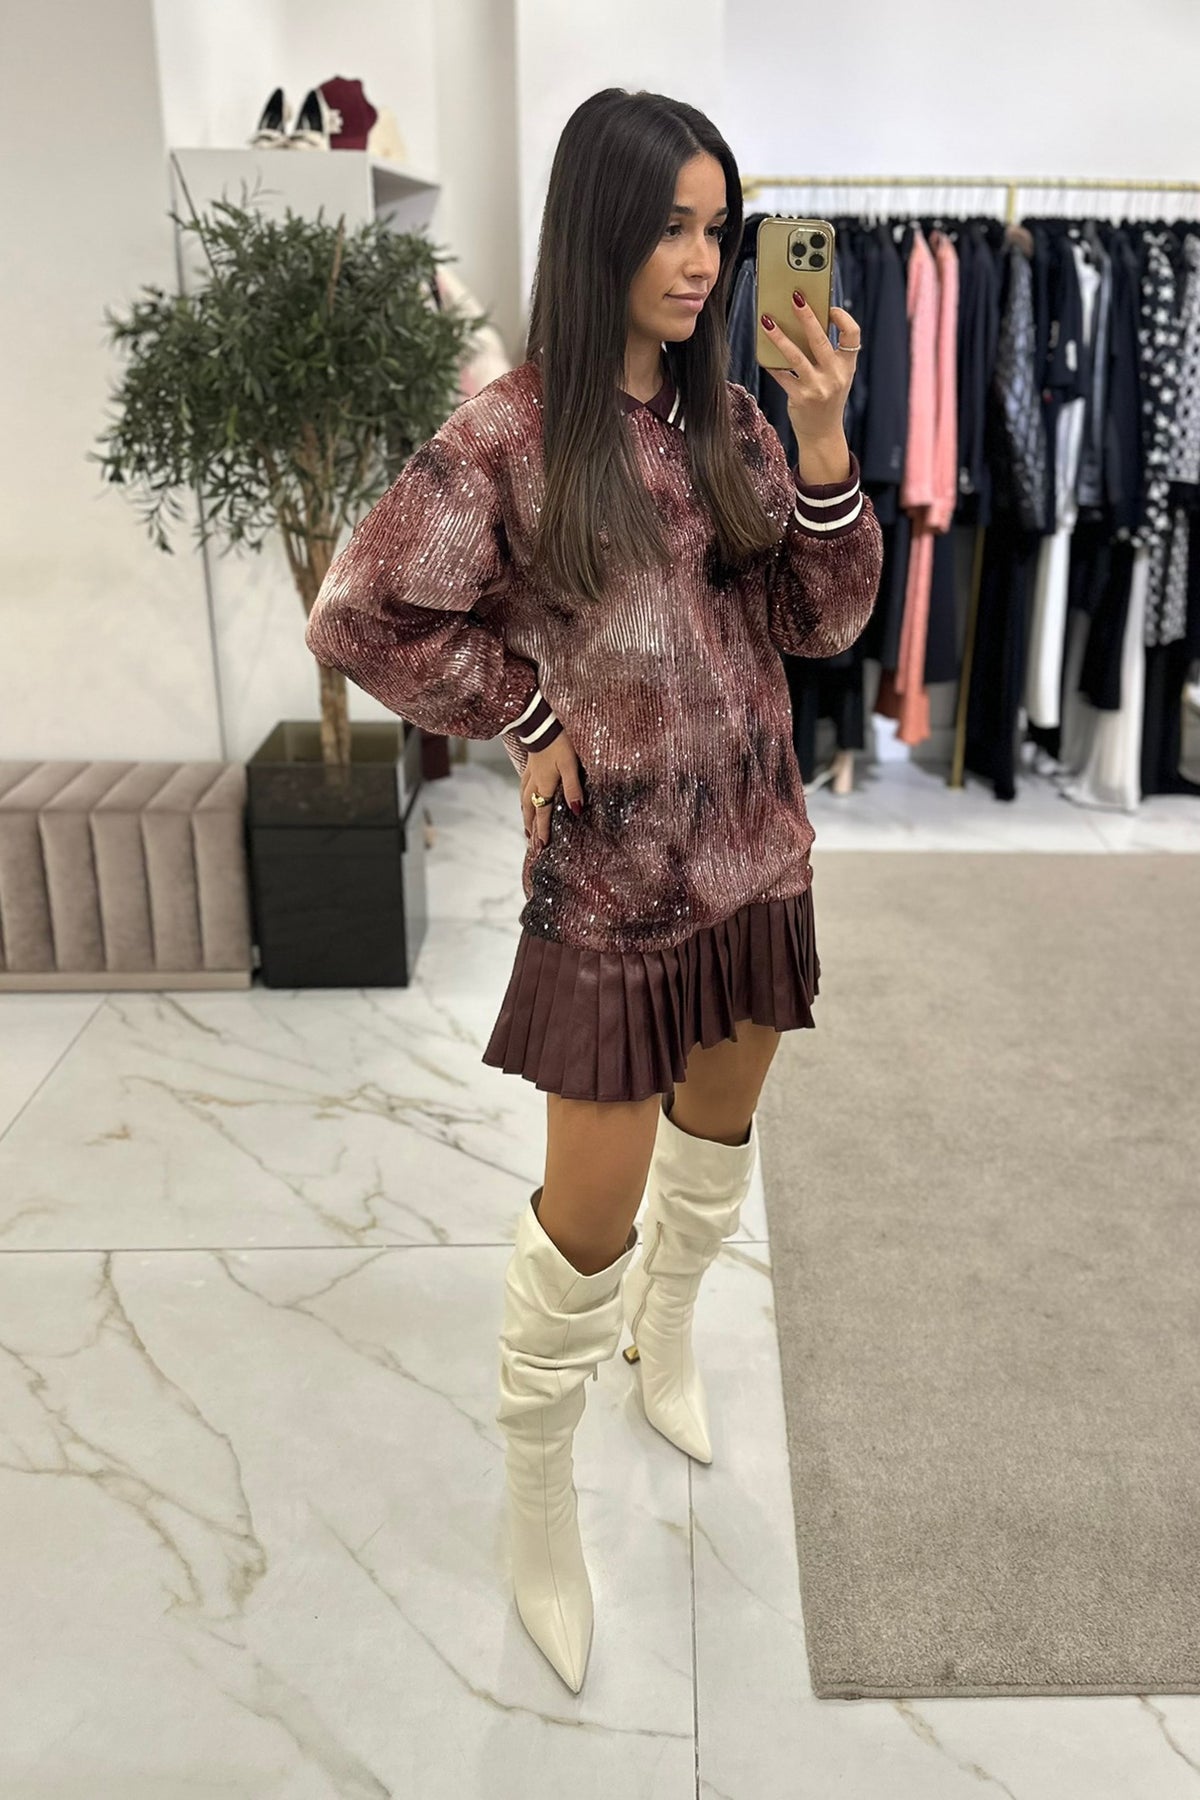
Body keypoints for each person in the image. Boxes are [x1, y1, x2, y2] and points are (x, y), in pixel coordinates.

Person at [303, 87, 883, 1694]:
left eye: (720, 229)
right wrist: (524, 711)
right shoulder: (508, 436)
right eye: (673, 227)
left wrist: (824, 447)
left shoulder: (738, 421)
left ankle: (671, 1336)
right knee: (584, 1228)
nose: (704, 260)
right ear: (601, 228)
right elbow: (360, 615)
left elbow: (825, 623)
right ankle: (538, 1494)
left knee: (720, 1150)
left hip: (755, 860)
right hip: (614, 894)